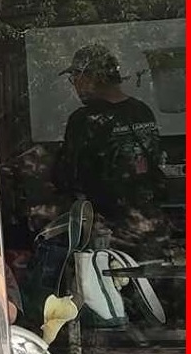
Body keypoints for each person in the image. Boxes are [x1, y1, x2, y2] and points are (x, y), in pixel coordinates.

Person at [53, 42, 170, 251]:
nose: (75, 85)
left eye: (76, 77)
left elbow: (69, 177)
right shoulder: (142, 110)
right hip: (149, 223)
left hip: (109, 231)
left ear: (93, 77)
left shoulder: (85, 120)